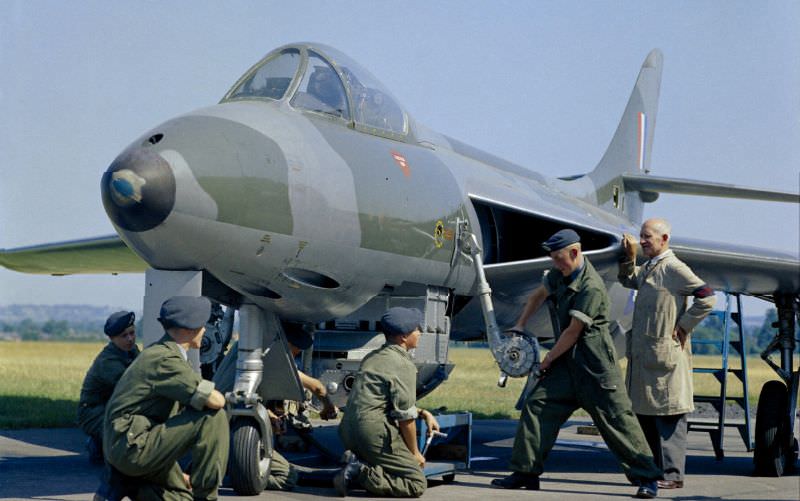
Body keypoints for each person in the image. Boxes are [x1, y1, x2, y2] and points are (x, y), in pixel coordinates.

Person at [492, 229, 663, 499]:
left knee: (618, 420)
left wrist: (546, 361)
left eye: (559, 258)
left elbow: (573, 331)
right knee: (538, 406)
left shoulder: (590, 287)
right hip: (566, 365)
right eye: (552, 259)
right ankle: (525, 472)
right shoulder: (559, 274)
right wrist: (520, 324)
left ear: (575, 252)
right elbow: (538, 295)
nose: (555, 264)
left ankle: (648, 478)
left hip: (595, 366)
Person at [619, 218, 715, 490]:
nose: (643, 241)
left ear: (664, 239)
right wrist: (628, 257)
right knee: (646, 416)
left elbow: (707, 296)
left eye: (647, 237)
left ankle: (672, 475)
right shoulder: (650, 267)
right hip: (646, 358)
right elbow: (628, 280)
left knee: (669, 417)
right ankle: (652, 472)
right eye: (642, 236)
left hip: (665, 358)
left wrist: (684, 325)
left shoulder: (673, 268)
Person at [102, 296, 229, 501]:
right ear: (189, 329)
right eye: (202, 325)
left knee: (181, 498)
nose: (205, 330)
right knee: (214, 417)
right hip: (133, 446)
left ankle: (130, 484)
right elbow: (215, 401)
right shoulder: (165, 360)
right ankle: (206, 496)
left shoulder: (160, 352)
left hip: (127, 444)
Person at [335, 307, 440, 497]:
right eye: (416, 329)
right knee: (415, 483)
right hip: (373, 433)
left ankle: (356, 465)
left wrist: (423, 412)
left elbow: (379, 398)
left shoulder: (373, 357)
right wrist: (414, 453)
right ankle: (359, 471)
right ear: (403, 337)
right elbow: (404, 417)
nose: (420, 333)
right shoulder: (403, 364)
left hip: (348, 430)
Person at [77, 310, 139, 464]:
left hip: (111, 407)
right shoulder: (109, 361)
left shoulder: (131, 351)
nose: (130, 339)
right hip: (94, 412)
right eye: (124, 336)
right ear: (112, 339)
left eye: (132, 333)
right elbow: (133, 387)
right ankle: (99, 443)